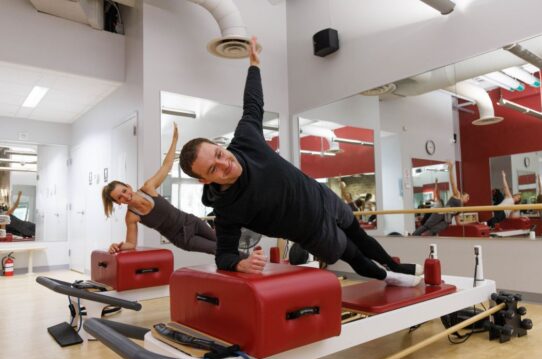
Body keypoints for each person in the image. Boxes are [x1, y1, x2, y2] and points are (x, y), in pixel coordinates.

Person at [179, 37, 421, 287]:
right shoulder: (227, 210)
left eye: (219, 154)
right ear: (204, 180)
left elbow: (253, 103)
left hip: (321, 196)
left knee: (360, 235)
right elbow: (224, 255)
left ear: (220, 147)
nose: (224, 163)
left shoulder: (245, 139)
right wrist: (240, 263)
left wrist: (254, 65)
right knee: (353, 254)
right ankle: (390, 277)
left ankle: (395, 265)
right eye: (213, 169)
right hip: (312, 231)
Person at [102, 123, 216, 254]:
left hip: (192, 221)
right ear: (118, 202)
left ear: (128, 186)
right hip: (181, 237)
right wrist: (117, 246)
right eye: (119, 197)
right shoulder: (131, 217)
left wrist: (174, 140)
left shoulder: (148, 188)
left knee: (224, 245)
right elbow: (131, 244)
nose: (125, 196)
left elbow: (166, 166)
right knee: (217, 249)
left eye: (124, 191)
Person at [412, 161, 469, 236]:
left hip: (446, 220)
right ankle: (412, 236)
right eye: (467, 196)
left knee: (433, 231)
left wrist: (472, 222)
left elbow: (458, 223)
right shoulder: (457, 195)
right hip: (441, 213)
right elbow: (452, 183)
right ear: (462, 195)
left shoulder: (461, 208)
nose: (468, 199)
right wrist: (451, 170)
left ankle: (424, 238)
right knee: (426, 226)